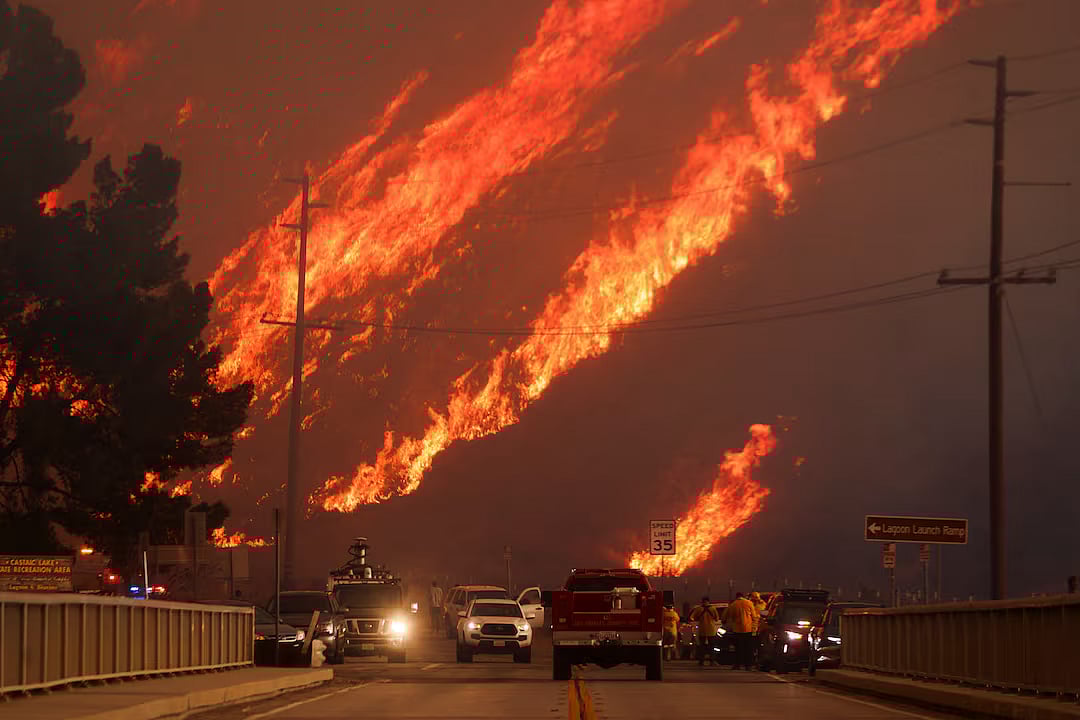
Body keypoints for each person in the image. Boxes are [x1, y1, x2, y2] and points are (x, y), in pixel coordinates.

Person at [721, 592, 757, 670]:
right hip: (748, 629)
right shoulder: (749, 603)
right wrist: (754, 627)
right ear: (743, 596)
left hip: (737, 629)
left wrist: (727, 624)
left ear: (736, 597)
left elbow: (727, 617)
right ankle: (748, 665)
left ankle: (737, 664)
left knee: (738, 648)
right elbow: (754, 616)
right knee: (748, 648)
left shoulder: (733, 605)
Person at [688, 596, 720, 666]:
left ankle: (701, 661)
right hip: (711, 630)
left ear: (702, 601)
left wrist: (697, 619)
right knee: (711, 646)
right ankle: (712, 661)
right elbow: (717, 619)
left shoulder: (699, 609)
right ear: (708, 601)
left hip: (702, 630)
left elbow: (691, 617)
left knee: (701, 646)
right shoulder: (713, 608)